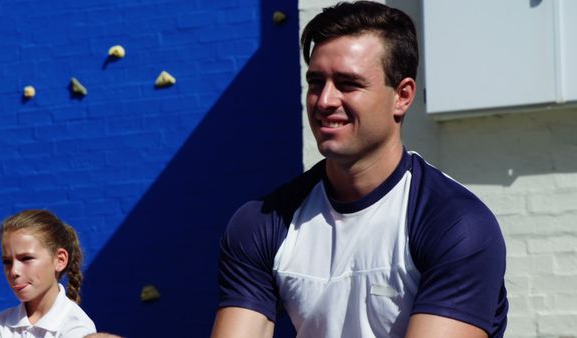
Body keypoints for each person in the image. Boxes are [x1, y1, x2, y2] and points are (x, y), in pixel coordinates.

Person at [211, 1, 508, 337]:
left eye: (348, 83)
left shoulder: (455, 224)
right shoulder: (263, 223)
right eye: (316, 82)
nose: (324, 101)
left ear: (403, 95)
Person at [0, 209, 97, 337]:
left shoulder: (77, 327)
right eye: (7, 261)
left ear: (60, 260)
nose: (14, 271)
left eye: (26, 258)